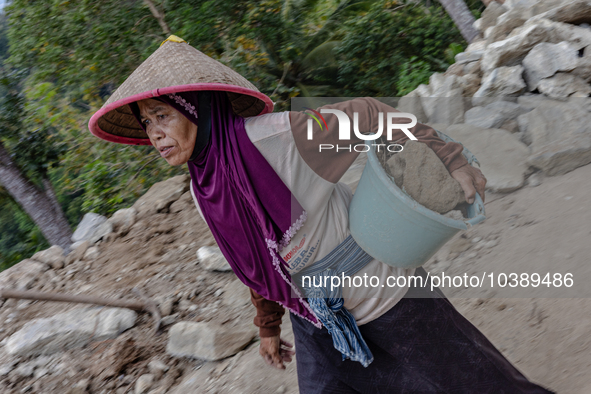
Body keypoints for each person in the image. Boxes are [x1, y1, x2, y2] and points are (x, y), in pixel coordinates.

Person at [89, 36, 553, 393]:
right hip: (316, 317)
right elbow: (259, 258)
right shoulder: (204, 184)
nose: (154, 133)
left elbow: (369, 115)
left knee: (478, 385)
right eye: (147, 122)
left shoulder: (278, 139)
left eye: (162, 117)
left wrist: (450, 160)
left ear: (197, 110)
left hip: (387, 299)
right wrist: (267, 325)